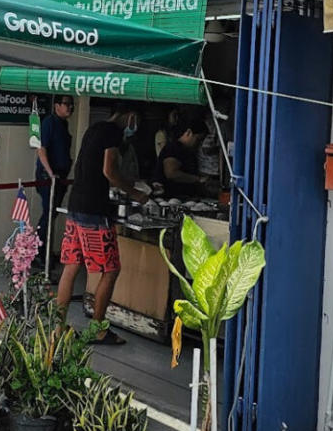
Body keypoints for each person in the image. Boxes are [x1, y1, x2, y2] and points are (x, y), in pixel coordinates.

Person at [56, 102, 148, 345]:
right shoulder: (112, 133)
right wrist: (135, 192)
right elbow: (109, 171)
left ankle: (58, 328)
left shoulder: (93, 128)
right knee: (110, 271)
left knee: (71, 266)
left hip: (76, 205)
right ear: (129, 114)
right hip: (95, 213)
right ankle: (97, 329)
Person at [35, 95, 74, 266]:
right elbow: (41, 149)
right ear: (57, 105)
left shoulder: (64, 124)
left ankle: (44, 252)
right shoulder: (49, 122)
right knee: (48, 214)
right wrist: (50, 173)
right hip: (49, 176)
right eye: (66, 104)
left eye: (71, 105)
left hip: (61, 176)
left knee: (52, 214)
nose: (70, 108)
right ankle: (39, 253)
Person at [154, 116, 214, 198]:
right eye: (198, 139)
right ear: (188, 132)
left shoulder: (188, 151)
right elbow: (171, 173)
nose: (199, 143)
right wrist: (198, 179)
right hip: (171, 197)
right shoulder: (173, 148)